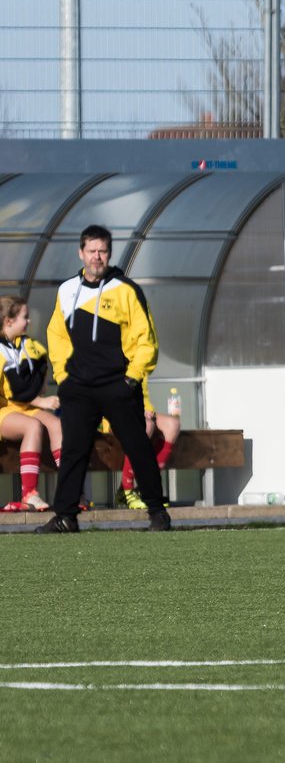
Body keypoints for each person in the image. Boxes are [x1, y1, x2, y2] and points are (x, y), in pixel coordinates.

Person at [35, 224, 171, 533]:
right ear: (81, 252)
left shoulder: (126, 290)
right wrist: (63, 377)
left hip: (118, 384)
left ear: (109, 253)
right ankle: (66, 517)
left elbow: (145, 339)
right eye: (92, 251)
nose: (97, 257)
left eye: (103, 251)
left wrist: (132, 379)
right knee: (73, 450)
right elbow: (55, 335)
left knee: (138, 446)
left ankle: (157, 514)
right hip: (78, 387)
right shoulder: (67, 290)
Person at [0, 296, 62, 512]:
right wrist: (40, 400)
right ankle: (29, 494)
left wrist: (37, 387)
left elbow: (39, 380)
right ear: (8, 321)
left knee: (56, 425)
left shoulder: (26, 344)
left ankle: (70, 490)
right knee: (32, 426)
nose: (29, 322)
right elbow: (15, 390)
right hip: (3, 409)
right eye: (24, 317)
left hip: (23, 406)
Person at [112, 378, 181, 510]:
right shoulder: (113, 361)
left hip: (141, 412)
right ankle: (128, 490)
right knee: (146, 426)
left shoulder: (139, 362)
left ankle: (147, 487)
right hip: (114, 415)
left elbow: (142, 395)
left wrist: (146, 410)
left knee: (173, 424)